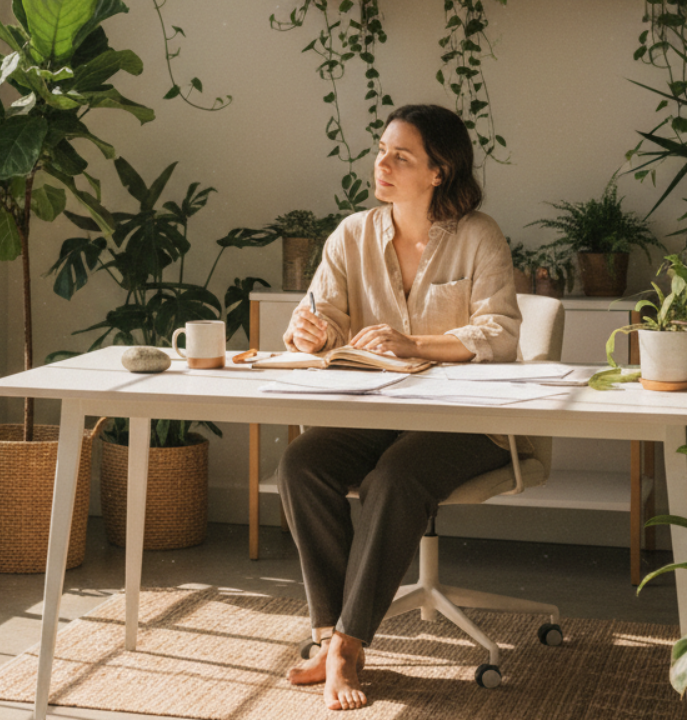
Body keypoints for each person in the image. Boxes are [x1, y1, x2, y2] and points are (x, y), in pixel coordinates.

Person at [278, 104, 522, 711]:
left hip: (468, 424)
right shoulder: (351, 235)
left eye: (401, 156)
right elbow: (322, 318)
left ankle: (347, 646)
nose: (381, 164)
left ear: (439, 171)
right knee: (301, 463)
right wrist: (306, 333)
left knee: (395, 476)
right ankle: (327, 632)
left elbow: (500, 332)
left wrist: (415, 342)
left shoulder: (479, 236)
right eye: (381, 150)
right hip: (378, 414)